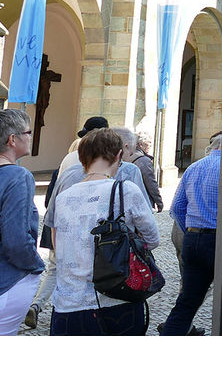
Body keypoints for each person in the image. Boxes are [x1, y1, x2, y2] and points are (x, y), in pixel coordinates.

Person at [48, 128, 159, 335]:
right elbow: (152, 239)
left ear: (81, 158)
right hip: (116, 301)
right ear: (118, 155)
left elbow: (58, 244)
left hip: (68, 304)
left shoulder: (64, 197)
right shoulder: (126, 190)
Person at [23, 116, 110, 329]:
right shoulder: (99, 162)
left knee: (55, 268)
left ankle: (38, 305)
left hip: (60, 221)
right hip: (83, 225)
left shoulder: (68, 159)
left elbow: (53, 195)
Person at [160, 133, 222, 335]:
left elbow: (177, 208)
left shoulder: (193, 167)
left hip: (192, 239)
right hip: (220, 240)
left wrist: (192, 230)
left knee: (187, 300)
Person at [0, 110, 45, 335]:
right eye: (28, 132)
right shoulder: (18, 176)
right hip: (6, 282)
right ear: (12, 139)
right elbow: (16, 240)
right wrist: (36, 265)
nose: (31, 137)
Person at [114, 127, 163, 213]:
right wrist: (158, 201)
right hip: (140, 200)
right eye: (148, 143)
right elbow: (150, 182)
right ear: (141, 145)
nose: (150, 146)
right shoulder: (143, 160)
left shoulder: (127, 157)